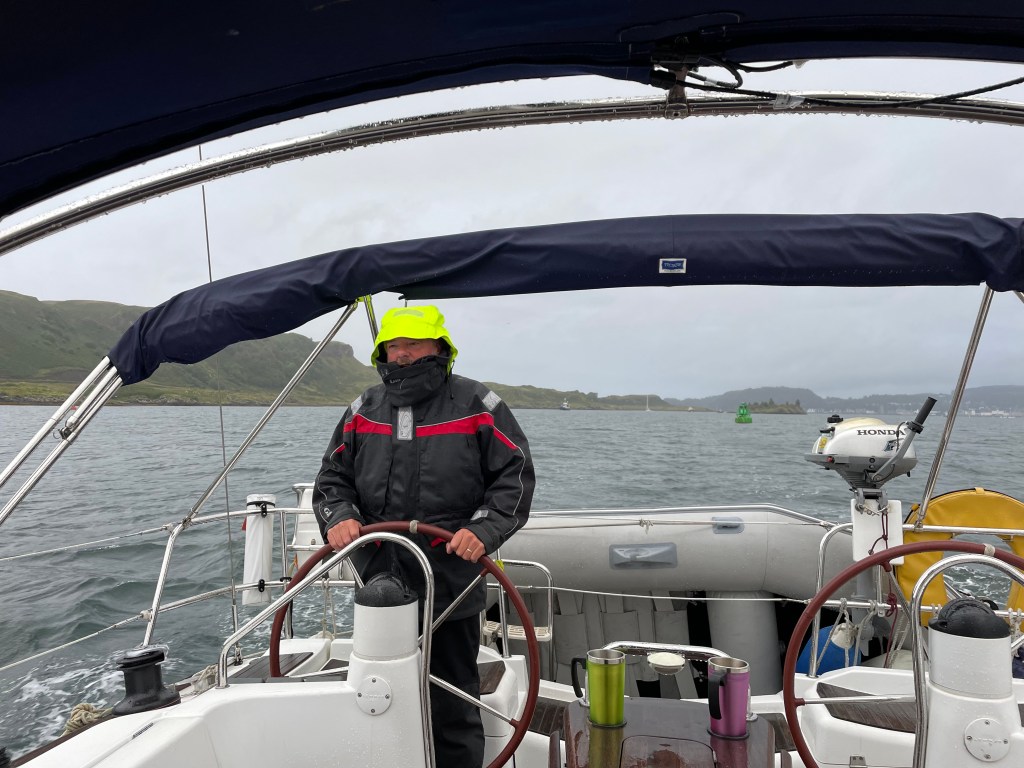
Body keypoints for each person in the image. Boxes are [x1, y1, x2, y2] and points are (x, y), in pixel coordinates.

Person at [313, 304, 535, 767]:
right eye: (393, 345)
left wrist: (483, 529)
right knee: (377, 693)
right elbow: (333, 478)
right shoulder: (362, 410)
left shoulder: (478, 406)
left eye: (413, 344)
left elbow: (513, 477)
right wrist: (339, 516)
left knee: (452, 699)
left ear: (439, 348)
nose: (402, 354)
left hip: (451, 580)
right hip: (378, 582)